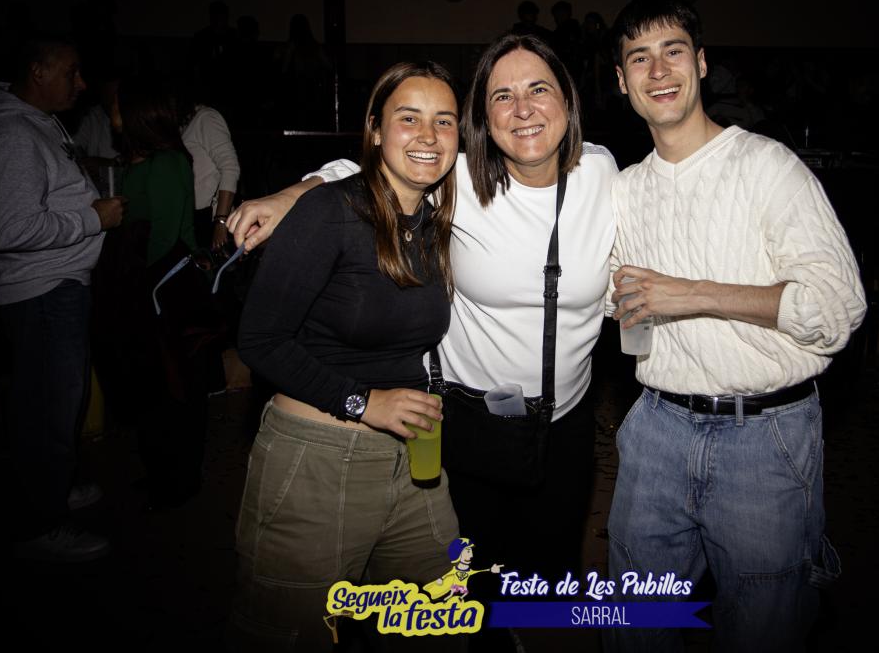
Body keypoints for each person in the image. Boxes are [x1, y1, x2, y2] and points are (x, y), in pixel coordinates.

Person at [227, 34, 618, 592]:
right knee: (464, 578)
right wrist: (296, 193)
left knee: (540, 579)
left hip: (567, 422)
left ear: (568, 101)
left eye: (539, 89)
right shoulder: (458, 179)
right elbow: (371, 168)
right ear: (484, 119)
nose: (523, 108)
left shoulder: (602, 173)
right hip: (466, 419)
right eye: (502, 95)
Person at [605, 0, 866, 653]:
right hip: (656, 430)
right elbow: (613, 295)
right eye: (639, 57)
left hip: (765, 438)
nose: (658, 71)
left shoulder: (767, 167)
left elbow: (837, 307)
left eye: (672, 51)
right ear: (622, 81)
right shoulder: (624, 189)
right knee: (636, 628)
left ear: (701, 63)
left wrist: (690, 295)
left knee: (762, 630)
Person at [227, 62, 462, 649]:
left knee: (437, 623)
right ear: (376, 130)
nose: (428, 135)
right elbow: (259, 341)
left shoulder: (432, 220)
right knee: (294, 635)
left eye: (444, 121)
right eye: (409, 118)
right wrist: (363, 402)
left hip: (413, 461)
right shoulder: (329, 211)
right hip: (316, 457)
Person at [0, 36, 125, 562]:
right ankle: (40, 522)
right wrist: (92, 219)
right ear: (38, 71)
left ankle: (53, 486)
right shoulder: (10, 135)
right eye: (72, 72)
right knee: (49, 407)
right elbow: (12, 229)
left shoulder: (35, 125)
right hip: (41, 289)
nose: (82, 83)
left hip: (54, 284)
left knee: (57, 400)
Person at [93, 75, 215, 509]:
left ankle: (178, 479)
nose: (110, 111)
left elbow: (164, 235)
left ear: (138, 112)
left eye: (116, 104)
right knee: (152, 385)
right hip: (147, 282)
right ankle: (162, 470)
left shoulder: (166, 162)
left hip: (161, 288)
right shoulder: (139, 160)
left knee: (173, 386)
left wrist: (131, 283)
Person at [178, 99, 240, 251]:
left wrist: (221, 221)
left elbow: (230, 168)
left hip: (210, 220)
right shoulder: (181, 124)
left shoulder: (206, 118)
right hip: (192, 219)